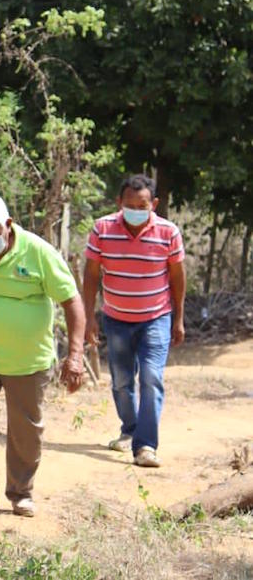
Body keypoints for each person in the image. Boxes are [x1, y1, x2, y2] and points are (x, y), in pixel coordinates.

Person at [0, 194, 85, 525]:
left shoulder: (38, 252)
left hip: (28, 361)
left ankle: (21, 492)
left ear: (8, 225)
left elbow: (72, 301)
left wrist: (75, 356)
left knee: (25, 432)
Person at [82, 174, 186, 468]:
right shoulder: (103, 229)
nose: (136, 210)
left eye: (142, 205)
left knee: (152, 378)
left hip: (157, 318)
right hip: (116, 319)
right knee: (122, 381)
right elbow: (91, 275)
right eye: (130, 204)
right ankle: (129, 429)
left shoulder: (168, 232)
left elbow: (177, 278)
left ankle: (146, 446)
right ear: (119, 202)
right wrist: (89, 318)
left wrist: (179, 318)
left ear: (153, 203)